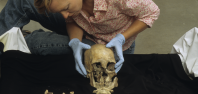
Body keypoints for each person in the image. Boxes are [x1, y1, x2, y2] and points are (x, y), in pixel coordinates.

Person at [0, 0, 160, 76]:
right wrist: (75, 41)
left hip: (108, 44)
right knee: (21, 2)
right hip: (85, 29)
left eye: (66, 8)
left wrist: (121, 38)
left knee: (35, 44)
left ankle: (23, 38)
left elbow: (152, 12)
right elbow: (71, 19)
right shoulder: (70, 9)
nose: (63, 15)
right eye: (60, 11)